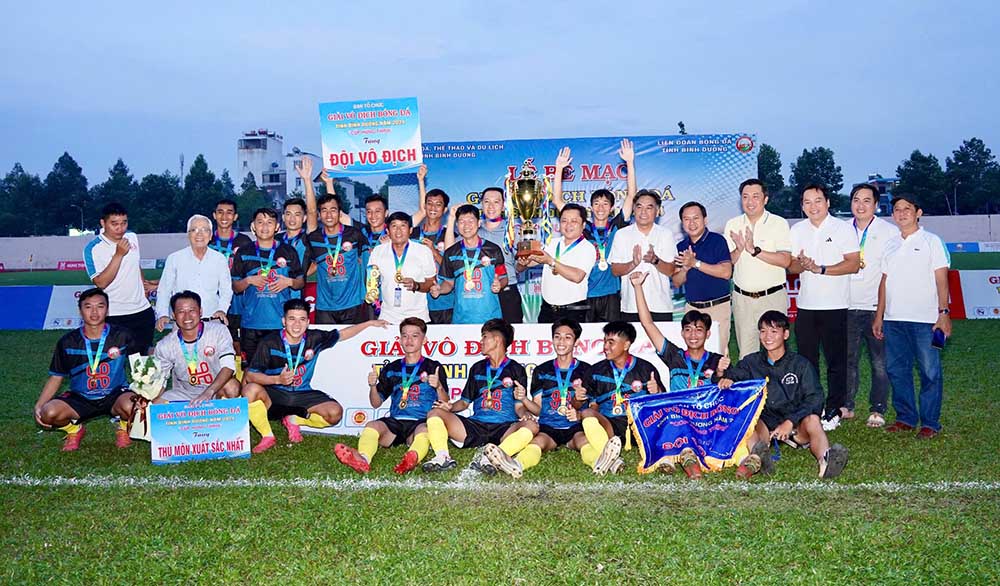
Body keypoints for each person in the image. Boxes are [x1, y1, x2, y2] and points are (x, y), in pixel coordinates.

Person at [715, 310, 849, 480]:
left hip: (796, 425)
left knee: (813, 419)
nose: (767, 336)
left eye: (773, 331)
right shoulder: (752, 362)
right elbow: (733, 375)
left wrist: (790, 421)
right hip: (765, 424)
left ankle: (826, 461)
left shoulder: (800, 364)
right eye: (763, 331)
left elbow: (815, 398)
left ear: (785, 334)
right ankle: (759, 458)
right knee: (750, 422)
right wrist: (722, 374)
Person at [241, 299, 387, 453]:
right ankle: (267, 436)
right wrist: (277, 379)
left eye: (302, 319)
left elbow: (343, 334)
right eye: (292, 319)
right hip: (274, 394)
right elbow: (250, 375)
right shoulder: (269, 342)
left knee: (335, 413)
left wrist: (368, 323)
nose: (297, 325)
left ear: (308, 322)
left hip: (302, 393)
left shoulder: (314, 338)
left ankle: (294, 420)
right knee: (250, 390)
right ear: (284, 321)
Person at [873, 195, 951, 439]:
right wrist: (879, 316)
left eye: (907, 209)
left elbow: (941, 279)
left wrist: (944, 313)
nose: (902, 213)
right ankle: (905, 418)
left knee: (930, 372)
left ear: (919, 212)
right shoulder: (891, 244)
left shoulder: (932, 242)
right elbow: (884, 281)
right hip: (894, 319)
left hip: (925, 320)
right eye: (897, 209)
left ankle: (930, 423)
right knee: (897, 370)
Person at [334, 317, 450, 475]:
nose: (409, 340)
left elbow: (445, 402)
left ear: (424, 340)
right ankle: (363, 459)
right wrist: (373, 386)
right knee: (372, 426)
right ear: (400, 339)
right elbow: (375, 403)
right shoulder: (391, 368)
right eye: (404, 335)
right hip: (395, 422)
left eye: (415, 336)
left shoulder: (434, 367)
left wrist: (438, 386)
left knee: (424, 432)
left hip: (421, 421)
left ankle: (411, 459)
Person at [788, 184, 860, 431]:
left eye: (817, 200)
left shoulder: (842, 228)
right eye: (807, 202)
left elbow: (853, 263)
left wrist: (821, 268)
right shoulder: (797, 229)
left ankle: (835, 409)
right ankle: (812, 408)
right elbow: (792, 268)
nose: (813, 206)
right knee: (807, 361)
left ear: (827, 202)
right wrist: (802, 264)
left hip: (835, 305)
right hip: (806, 306)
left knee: (836, 362)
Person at [421, 319, 533, 475]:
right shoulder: (477, 368)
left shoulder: (516, 369)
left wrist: (525, 415)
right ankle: (442, 457)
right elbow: (465, 402)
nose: (481, 341)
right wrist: (451, 407)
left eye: (484, 337)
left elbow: (519, 406)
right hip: (476, 426)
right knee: (434, 413)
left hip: (505, 427)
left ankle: (494, 456)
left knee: (532, 426)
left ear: (497, 340)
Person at [485, 318, 592, 478]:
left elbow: (594, 405)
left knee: (584, 442)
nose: (561, 341)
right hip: (548, 425)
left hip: (575, 425)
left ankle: (600, 463)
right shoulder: (542, 370)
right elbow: (539, 409)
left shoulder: (587, 370)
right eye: (557, 336)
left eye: (567, 337)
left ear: (576, 342)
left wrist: (579, 413)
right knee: (537, 443)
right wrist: (524, 400)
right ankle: (516, 465)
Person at [33, 288, 137, 451]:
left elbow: (140, 363)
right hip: (80, 397)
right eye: (88, 307)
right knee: (49, 413)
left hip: (115, 394)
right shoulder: (67, 342)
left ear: (107, 310)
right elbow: (56, 377)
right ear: (80, 311)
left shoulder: (122, 335)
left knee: (136, 406)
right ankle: (75, 430)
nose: (94, 312)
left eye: (100, 306)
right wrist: (39, 405)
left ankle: (123, 428)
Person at [553, 139, 636, 322]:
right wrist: (559, 169)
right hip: (585, 292)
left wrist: (629, 162)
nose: (600, 207)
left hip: (611, 294)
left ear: (612, 208)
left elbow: (631, 195)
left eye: (605, 204)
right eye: (596, 203)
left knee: (611, 337)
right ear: (590, 207)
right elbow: (558, 201)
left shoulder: (617, 225)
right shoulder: (584, 228)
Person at [575, 321, 665, 474]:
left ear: (626, 345)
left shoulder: (646, 368)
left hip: (638, 425)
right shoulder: (595, 370)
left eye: (611, 342)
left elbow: (663, 403)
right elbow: (578, 406)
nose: (605, 347)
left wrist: (657, 392)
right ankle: (611, 456)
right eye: (605, 341)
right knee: (586, 415)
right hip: (609, 426)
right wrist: (578, 398)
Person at [724, 179, 792, 359]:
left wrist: (755, 251)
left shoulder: (778, 223)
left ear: (766, 199)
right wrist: (739, 249)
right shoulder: (733, 224)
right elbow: (727, 263)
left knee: (777, 352)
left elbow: (785, 260)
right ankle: (752, 388)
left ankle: (778, 388)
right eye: (745, 197)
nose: (750, 201)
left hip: (772, 298)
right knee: (746, 355)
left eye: (755, 196)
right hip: (743, 299)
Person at [845, 184, 895, 428]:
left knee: (879, 362)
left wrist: (882, 311)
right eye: (856, 199)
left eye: (867, 200)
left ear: (876, 205)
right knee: (848, 360)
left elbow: (891, 274)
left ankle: (878, 408)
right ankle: (847, 405)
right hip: (846, 306)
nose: (860, 205)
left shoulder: (888, 232)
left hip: (876, 307)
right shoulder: (842, 229)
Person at [630, 272, 728, 392]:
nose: (693, 335)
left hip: (706, 410)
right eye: (688, 329)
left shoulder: (717, 360)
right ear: (682, 333)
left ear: (707, 334)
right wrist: (637, 287)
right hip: (678, 410)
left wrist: (720, 373)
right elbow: (647, 324)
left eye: (698, 330)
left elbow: (728, 394)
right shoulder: (674, 356)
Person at [230, 208, 304, 362]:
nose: (265, 227)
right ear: (253, 226)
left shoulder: (288, 251)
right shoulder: (243, 252)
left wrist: (288, 282)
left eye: (270, 223)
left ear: (277, 227)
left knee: (278, 371)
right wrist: (249, 280)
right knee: (252, 372)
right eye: (260, 222)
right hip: (251, 324)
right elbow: (235, 287)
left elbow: (300, 282)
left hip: (279, 324)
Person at [83, 202, 155, 352]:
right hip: (114, 314)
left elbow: (136, 264)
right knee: (114, 362)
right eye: (114, 224)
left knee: (143, 362)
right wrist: (119, 254)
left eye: (124, 223)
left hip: (142, 311)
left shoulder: (132, 237)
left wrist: (143, 287)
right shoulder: (92, 248)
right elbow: (101, 283)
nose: (120, 228)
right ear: (103, 223)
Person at [152, 291, 240, 404]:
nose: (187, 316)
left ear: (201, 312)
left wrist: (209, 392)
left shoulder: (219, 331)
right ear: (173, 315)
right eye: (181, 312)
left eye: (192, 310)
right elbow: (160, 380)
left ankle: (226, 420)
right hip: (185, 393)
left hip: (217, 389)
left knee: (232, 387)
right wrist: (149, 398)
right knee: (156, 404)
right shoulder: (165, 345)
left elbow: (228, 366)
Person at [671, 201, 734, 353]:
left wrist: (695, 263)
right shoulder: (681, 246)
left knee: (718, 353)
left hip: (717, 307)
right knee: (691, 352)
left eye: (696, 218)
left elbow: (726, 272)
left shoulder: (717, 241)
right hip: (692, 308)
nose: (691, 223)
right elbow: (677, 282)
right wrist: (685, 268)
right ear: (682, 223)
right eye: (686, 219)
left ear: (705, 220)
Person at [519, 203, 596, 323]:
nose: (568, 225)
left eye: (574, 221)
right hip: (547, 310)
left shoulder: (587, 247)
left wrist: (551, 261)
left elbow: (577, 276)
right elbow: (528, 264)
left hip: (573, 311)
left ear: (583, 225)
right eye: (564, 221)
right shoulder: (552, 243)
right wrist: (524, 258)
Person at [431, 204, 508, 324]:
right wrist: (439, 289)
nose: (466, 225)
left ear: (478, 223)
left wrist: (500, 285)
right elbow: (448, 283)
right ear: (457, 225)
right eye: (461, 221)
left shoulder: (493, 249)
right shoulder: (451, 253)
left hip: (491, 318)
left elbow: (503, 277)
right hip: (461, 318)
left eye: (471, 221)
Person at [608, 189, 678, 321]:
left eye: (649, 208)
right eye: (639, 207)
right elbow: (615, 270)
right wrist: (633, 263)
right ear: (634, 210)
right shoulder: (622, 234)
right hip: (631, 306)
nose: (643, 212)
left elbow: (671, 271)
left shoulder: (665, 234)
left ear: (657, 212)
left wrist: (655, 260)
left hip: (660, 306)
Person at [155, 215, 232, 332]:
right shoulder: (175, 258)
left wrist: (222, 310)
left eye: (204, 230)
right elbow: (164, 290)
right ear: (188, 234)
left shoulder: (219, 259)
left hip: (213, 321)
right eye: (194, 229)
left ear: (211, 235)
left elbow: (226, 290)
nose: (199, 234)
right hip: (183, 323)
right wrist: (162, 314)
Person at [306, 193, 367, 324]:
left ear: (340, 213)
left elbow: (367, 257)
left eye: (333, 210)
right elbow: (311, 266)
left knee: (351, 344)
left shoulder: (354, 234)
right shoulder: (313, 238)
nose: (329, 215)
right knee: (326, 344)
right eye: (324, 210)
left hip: (352, 304)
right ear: (319, 214)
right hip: (325, 306)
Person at [367, 211, 437, 324]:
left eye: (403, 226)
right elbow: (371, 281)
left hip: (417, 316)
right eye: (394, 226)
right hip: (387, 317)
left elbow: (432, 282)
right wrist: (375, 302)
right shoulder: (378, 251)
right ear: (387, 231)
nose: (398, 231)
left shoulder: (423, 251)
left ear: (410, 230)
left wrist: (417, 285)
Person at [410, 164, 455, 324]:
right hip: (417, 303)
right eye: (429, 203)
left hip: (445, 303)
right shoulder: (412, 234)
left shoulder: (451, 236)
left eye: (438, 204)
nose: (433, 208)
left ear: (444, 209)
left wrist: (434, 252)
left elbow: (453, 269)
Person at [210, 199, 254, 348]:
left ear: (235, 217)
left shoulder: (244, 241)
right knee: (214, 343)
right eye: (220, 212)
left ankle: (239, 371)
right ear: (214, 215)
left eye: (229, 213)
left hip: (238, 301)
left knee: (238, 343)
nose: (224, 216)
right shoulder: (206, 240)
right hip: (213, 300)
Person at [478, 187, 524, 323]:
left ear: (504, 206)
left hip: (507, 292)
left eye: (496, 202)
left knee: (511, 336)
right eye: (487, 202)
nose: (491, 206)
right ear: (481, 205)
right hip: (481, 294)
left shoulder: (512, 231)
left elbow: (520, 266)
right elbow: (451, 251)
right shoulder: (474, 232)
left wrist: (523, 264)